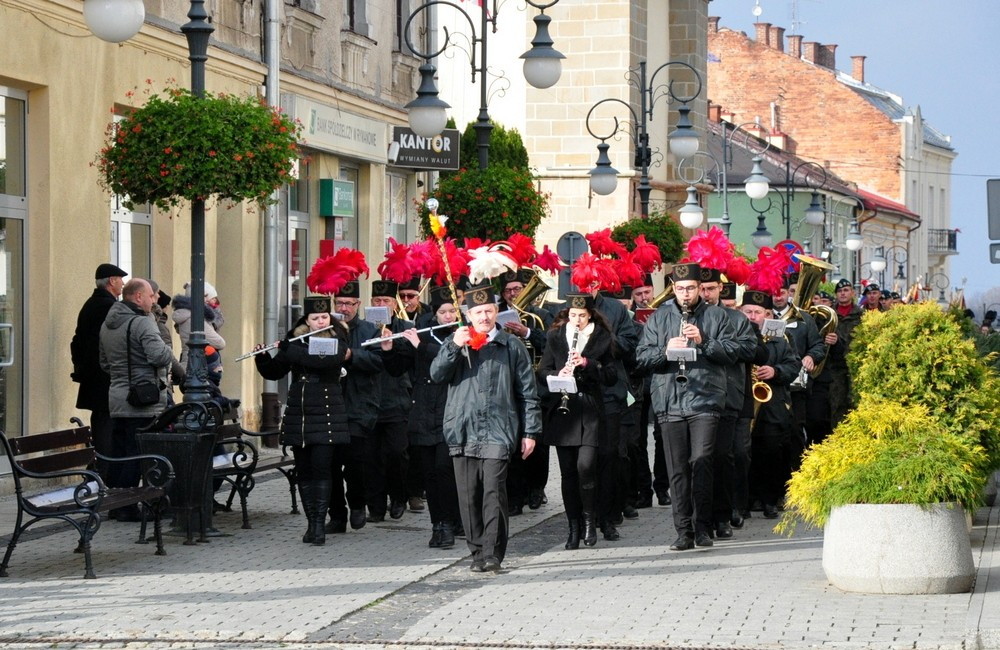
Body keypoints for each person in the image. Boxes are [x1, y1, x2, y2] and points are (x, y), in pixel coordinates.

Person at [430, 284, 541, 573]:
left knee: (493, 492)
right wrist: (454, 346)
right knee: (468, 497)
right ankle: (477, 551)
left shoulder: (511, 345)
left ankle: (492, 552)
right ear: (468, 314)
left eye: (489, 311)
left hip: (499, 429)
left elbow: (528, 392)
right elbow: (436, 375)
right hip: (462, 429)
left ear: (496, 312)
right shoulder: (457, 342)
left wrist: (530, 432)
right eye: (478, 312)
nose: (484, 316)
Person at [635, 263, 735, 551]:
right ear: (673, 289)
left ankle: (702, 527)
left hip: (705, 397)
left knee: (702, 461)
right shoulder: (659, 317)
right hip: (669, 399)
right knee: (678, 469)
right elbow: (641, 358)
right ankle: (683, 531)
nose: (686, 294)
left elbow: (732, 353)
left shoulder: (717, 316)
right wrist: (665, 350)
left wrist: (705, 342)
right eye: (680, 289)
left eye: (690, 288)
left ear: (699, 288)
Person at [253, 296, 350, 546]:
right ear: (306, 321)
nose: (321, 322)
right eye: (315, 318)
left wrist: (289, 348)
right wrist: (262, 357)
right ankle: (312, 524)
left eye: (324, 317)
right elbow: (274, 372)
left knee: (322, 468)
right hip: (301, 415)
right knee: (304, 470)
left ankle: (320, 525)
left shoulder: (336, 339)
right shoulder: (297, 340)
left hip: (327, 413)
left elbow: (323, 360)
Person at [536, 294, 617, 549]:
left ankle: (590, 520)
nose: (577, 320)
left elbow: (612, 375)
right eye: (573, 315)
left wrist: (587, 363)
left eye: (582, 315)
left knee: (586, 468)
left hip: (590, 410)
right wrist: (558, 374)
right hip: (564, 410)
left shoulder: (602, 338)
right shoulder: (556, 337)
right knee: (569, 473)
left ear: (590, 315)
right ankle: (573, 528)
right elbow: (543, 370)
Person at [99, 278, 173, 521]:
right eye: (152, 296)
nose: (155, 301)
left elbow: (104, 363)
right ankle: (127, 507)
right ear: (138, 297)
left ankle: (116, 503)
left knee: (120, 453)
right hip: (143, 400)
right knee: (137, 454)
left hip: (118, 397)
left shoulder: (108, 324)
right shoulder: (143, 322)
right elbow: (160, 356)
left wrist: (123, 376)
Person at [400, 284, 462, 548]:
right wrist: (392, 348)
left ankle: (450, 523)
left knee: (444, 470)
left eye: (451, 311)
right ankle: (438, 524)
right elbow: (397, 368)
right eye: (443, 312)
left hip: (450, 411)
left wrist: (420, 347)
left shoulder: (463, 336)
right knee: (430, 475)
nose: (447, 316)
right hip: (423, 410)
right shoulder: (426, 335)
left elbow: (450, 360)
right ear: (434, 315)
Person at [698, 270, 757, 539]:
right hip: (696, 396)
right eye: (702, 289)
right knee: (700, 460)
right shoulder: (686, 317)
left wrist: (717, 345)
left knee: (726, 456)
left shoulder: (736, 318)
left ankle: (726, 512)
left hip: (728, 395)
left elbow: (749, 349)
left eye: (710, 288)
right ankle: (702, 517)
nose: (705, 294)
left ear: (720, 290)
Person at [739, 290, 800, 519]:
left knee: (772, 452)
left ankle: (770, 500)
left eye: (757, 312)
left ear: (767, 314)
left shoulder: (781, 338)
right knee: (744, 453)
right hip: (744, 402)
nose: (752, 317)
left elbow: (793, 366)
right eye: (748, 312)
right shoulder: (736, 334)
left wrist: (775, 371)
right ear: (740, 312)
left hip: (773, 404)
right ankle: (746, 500)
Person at [498, 268, 552, 516]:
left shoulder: (540, 315)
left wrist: (527, 332)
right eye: (508, 290)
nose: (512, 294)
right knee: (513, 444)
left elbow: (552, 345)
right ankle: (515, 496)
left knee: (538, 445)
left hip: (537, 386)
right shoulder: (497, 316)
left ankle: (537, 488)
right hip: (509, 387)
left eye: (517, 289)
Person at [333, 280, 383, 532]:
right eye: (339, 303)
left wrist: (353, 356)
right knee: (331, 464)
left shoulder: (369, 330)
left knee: (355, 463)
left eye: (349, 303)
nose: (344, 308)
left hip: (359, 405)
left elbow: (378, 360)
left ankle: (357, 504)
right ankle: (336, 515)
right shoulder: (325, 327)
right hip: (330, 405)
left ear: (358, 305)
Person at [71, 262, 128, 479]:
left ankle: (100, 472)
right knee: (106, 427)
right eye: (120, 279)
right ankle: (102, 474)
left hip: (95, 377)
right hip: (103, 377)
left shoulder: (94, 303)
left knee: (103, 423)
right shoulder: (107, 306)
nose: (122, 283)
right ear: (111, 281)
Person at [366, 279, 414, 522]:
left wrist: (392, 344)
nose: (381, 304)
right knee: (372, 455)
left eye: (386, 301)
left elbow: (408, 359)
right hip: (369, 400)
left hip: (395, 398)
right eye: (377, 301)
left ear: (395, 305)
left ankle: (398, 496)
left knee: (396, 452)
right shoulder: (366, 327)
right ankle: (375, 504)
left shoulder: (405, 327)